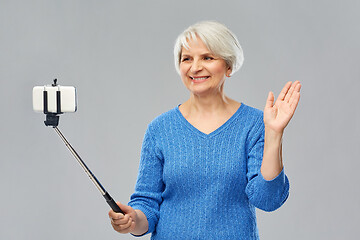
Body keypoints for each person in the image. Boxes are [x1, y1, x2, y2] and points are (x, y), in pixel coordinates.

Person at [108, 21, 301, 239]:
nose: (195, 67)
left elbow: (268, 199)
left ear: (229, 65)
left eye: (207, 58)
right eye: (187, 59)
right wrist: (132, 219)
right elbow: (147, 206)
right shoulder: (159, 129)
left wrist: (274, 133)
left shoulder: (255, 123)